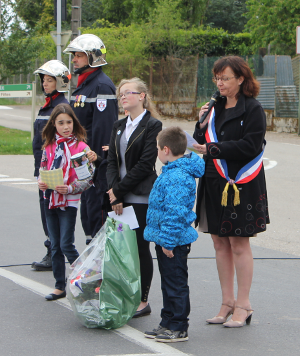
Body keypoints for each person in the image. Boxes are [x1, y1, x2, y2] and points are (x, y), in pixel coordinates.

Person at [193, 55, 270, 327]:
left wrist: (214, 149)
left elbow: (251, 146)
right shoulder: (214, 108)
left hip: (241, 182)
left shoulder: (253, 109)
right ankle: (226, 302)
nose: (220, 83)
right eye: (216, 78)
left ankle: (243, 304)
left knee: (238, 242)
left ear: (240, 79)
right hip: (214, 179)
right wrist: (201, 120)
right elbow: (199, 139)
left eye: (225, 78)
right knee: (218, 241)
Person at [106, 77, 162, 317]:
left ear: (141, 96)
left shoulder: (153, 125)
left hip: (140, 196)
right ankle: (126, 294)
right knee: (123, 249)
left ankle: (143, 300)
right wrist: (114, 193)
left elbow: (145, 164)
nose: (123, 97)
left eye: (128, 93)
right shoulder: (118, 125)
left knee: (140, 248)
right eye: (120, 94)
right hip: (119, 197)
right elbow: (111, 163)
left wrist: (119, 190)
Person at [143, 127, 205, 342]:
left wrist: (168, 242)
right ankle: (167, 321)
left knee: (176, 282)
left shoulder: (177, 176)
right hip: (166, 239)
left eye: (157, 148)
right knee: (168, 282)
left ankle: (178, 326)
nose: (157, 152)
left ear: (166, 149)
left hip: (173, 241)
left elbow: (175, 212)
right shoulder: (172, 171)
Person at [63, 34, 118, 245]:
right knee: (87, 215)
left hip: (96, 165)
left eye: (78, 55)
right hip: (84, 166)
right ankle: (92, 269)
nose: (74, 60)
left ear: (93, 57)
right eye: (74, 55)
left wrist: (97, 163)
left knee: (97, 218)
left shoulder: (101, 86)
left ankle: (101, 272)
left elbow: (103, 131)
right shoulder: (84, 84)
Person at [38, 103, 94, 301]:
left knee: (65, 243)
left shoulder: (81, 147)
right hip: (50, 199)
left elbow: (88, 178)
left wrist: (69, 188)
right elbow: (42, 169)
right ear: (54, 124)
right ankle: (59, 286)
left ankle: (85, 279)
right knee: (54, 245)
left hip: (69, 200)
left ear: (74, 123)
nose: (65, 127)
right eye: (61, 123)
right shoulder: (49, 146)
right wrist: (41, 182)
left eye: (69, 122)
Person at [31, 60, 70, 271]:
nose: (45, 84)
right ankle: (52, 249)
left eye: (49, 80)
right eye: (43, 80)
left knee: (53, 211)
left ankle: (55, 251)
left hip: (55, 170)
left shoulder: (61, 108)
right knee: (46, 211)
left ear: (60, 82)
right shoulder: (46, 105)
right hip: (43, 168)